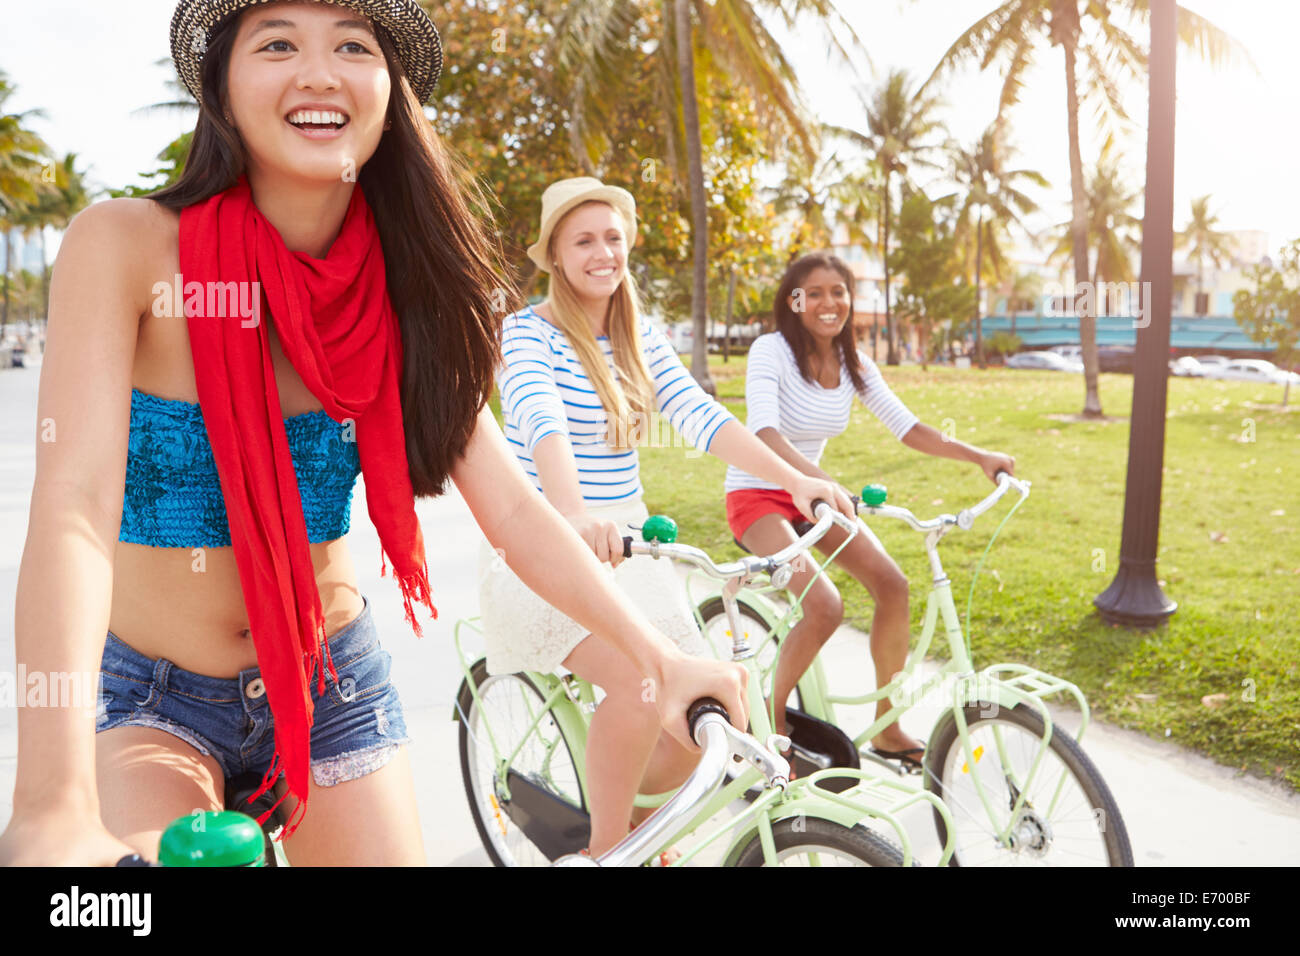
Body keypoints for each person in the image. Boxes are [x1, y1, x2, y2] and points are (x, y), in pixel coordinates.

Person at [0, 0, 749, 868]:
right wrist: (50, 802)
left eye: (352, 47)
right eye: (278, 44)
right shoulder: (123, 246)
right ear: (222, 86)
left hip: (333, 684)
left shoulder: (405, 287)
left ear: (389, 93)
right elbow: (73, 507)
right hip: (151, 699)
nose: (319, 72)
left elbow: (512, 509)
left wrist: (655, 657)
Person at [483, 178, 854, 857]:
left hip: (630, 548)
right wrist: (571, 515)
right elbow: (543, 421)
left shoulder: (640, 336)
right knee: (639, 681)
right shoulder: (526, 333)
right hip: (545, 544)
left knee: (706, 703)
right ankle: (606, 850)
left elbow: (701, 417)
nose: (603, 252)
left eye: (613, 238)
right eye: (584, 240)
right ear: (556, 257)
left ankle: (641, 827)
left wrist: (798, 479)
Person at [724, 252, 1016, 771]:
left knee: (893, 585)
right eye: (813, 293)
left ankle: (888, 725)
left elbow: (910, 428)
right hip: (760, 498)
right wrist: (811, 482)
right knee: (824, 606)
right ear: (793, 302)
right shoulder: (770, 351)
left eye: (838, 291)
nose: (828, 302)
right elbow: (763, 432)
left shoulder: (854, 364)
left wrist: (979, 456)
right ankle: (767, 721)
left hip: (815, 500)